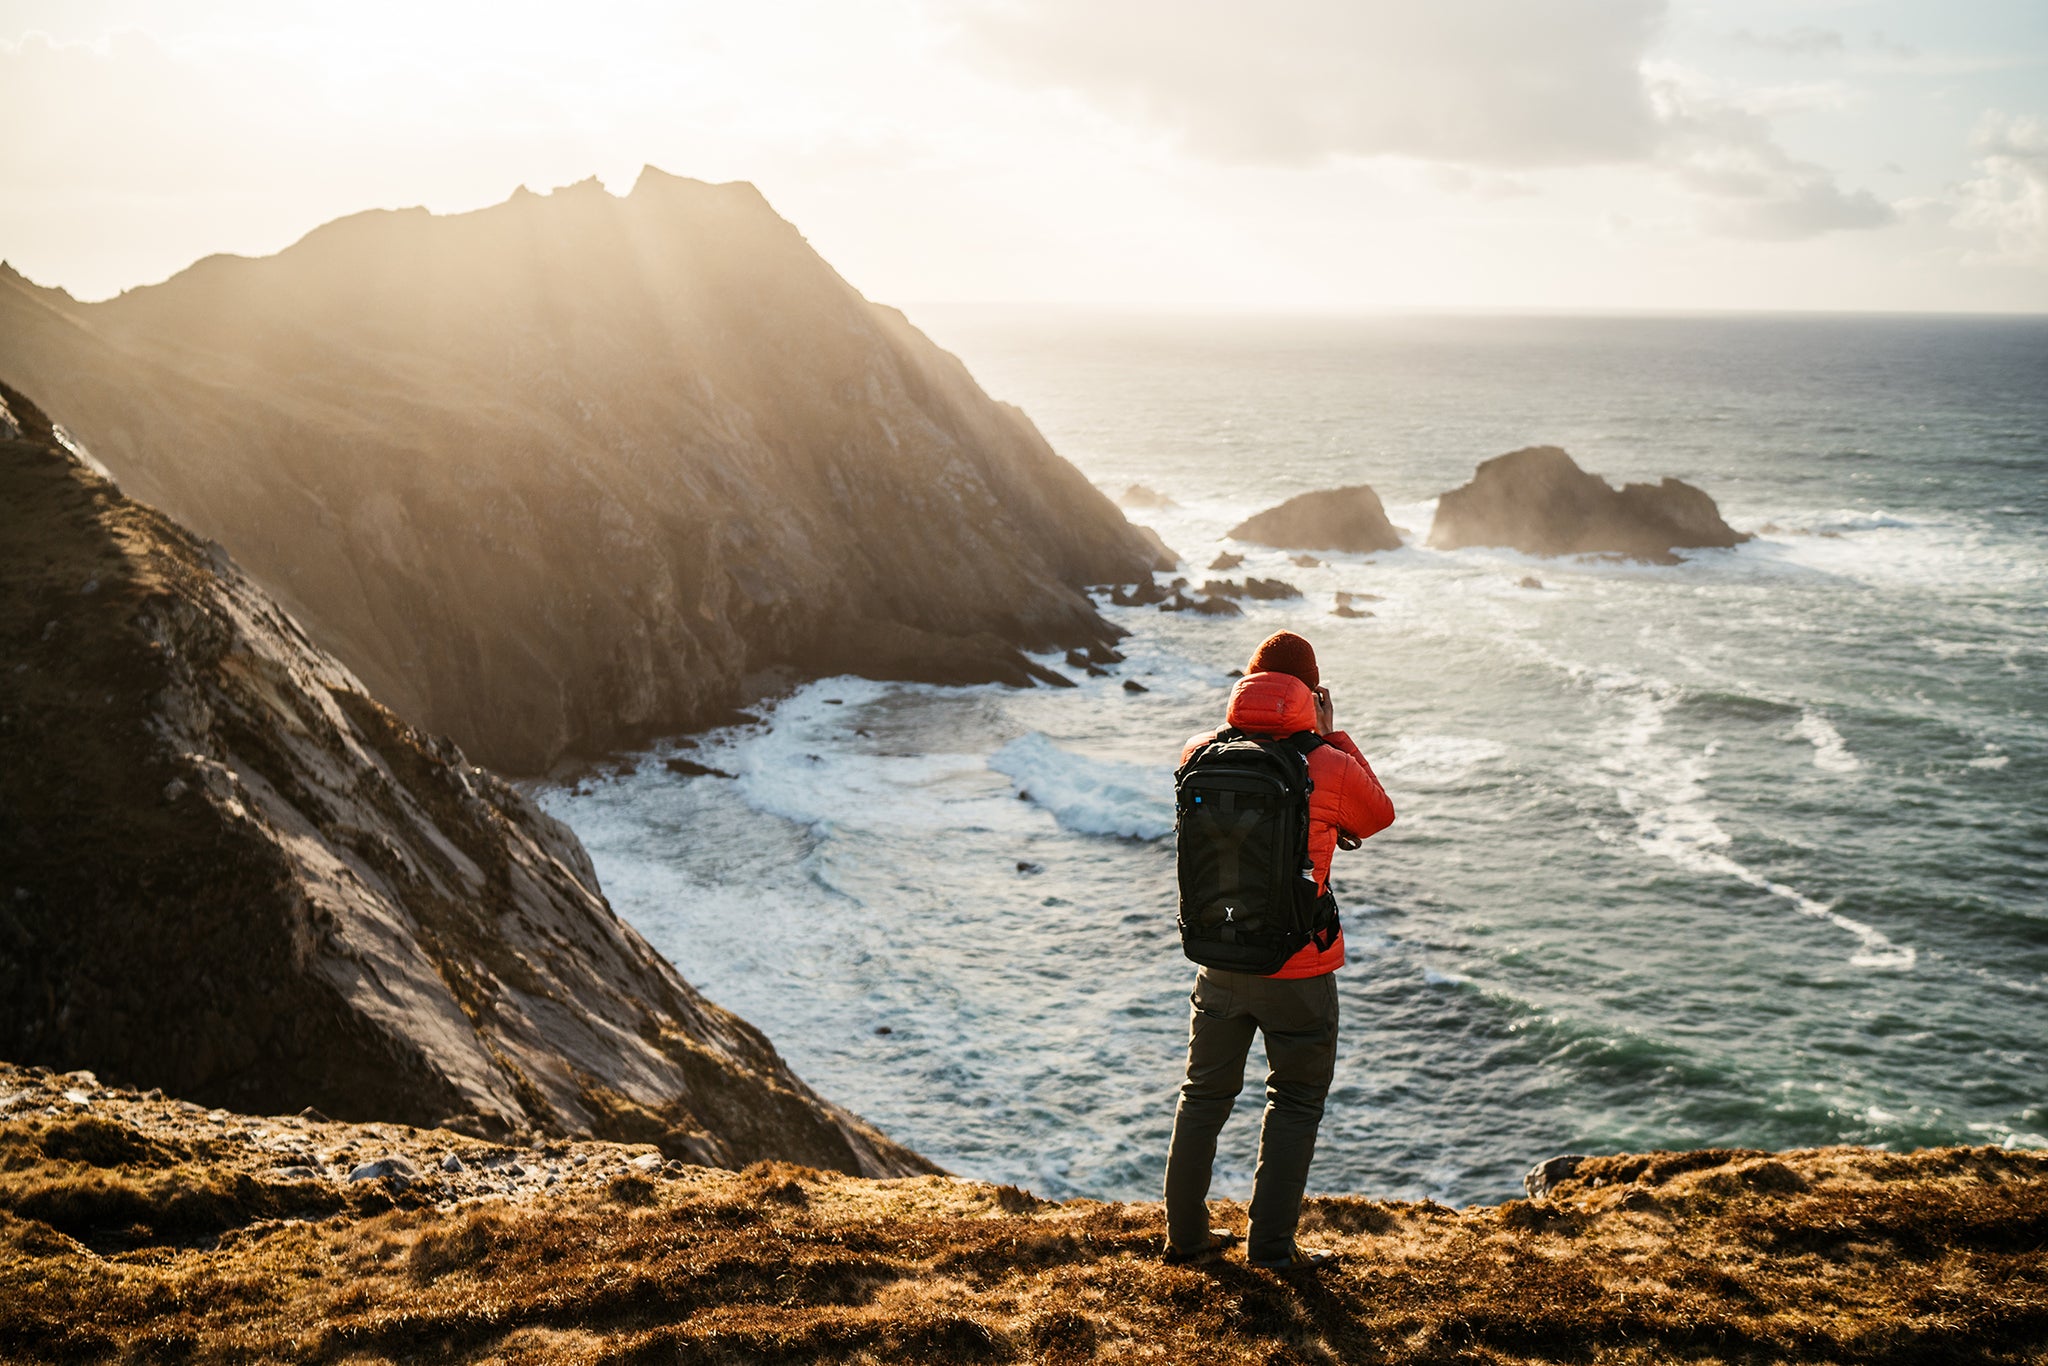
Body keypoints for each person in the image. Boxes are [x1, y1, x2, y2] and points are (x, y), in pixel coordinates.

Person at [1163, 629, 1395, 1270]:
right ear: (1312, 694)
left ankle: (1185, 1241)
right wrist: (1332, 733)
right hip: (1299, 968)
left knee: (1202, 1097)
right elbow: (1377, 815)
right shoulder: (1327, 763)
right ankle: (1270, 1250)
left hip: (1218, 958)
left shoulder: (1199, 752)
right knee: (1293, 1100)